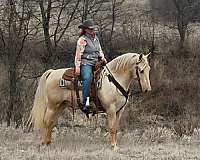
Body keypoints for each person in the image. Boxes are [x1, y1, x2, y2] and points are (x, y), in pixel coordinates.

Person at [74, 19, 107, 115]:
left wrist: (103, 59)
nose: (93, 30)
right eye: (90, 29)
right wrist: (77, 68)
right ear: (85, 29)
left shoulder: (96, 39)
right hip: (86, 63)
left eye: (93, 29)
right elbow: (78, 55)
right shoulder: (82, 40)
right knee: (88, 78)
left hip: (97, 62)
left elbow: (99, 51)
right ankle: (86, 102)